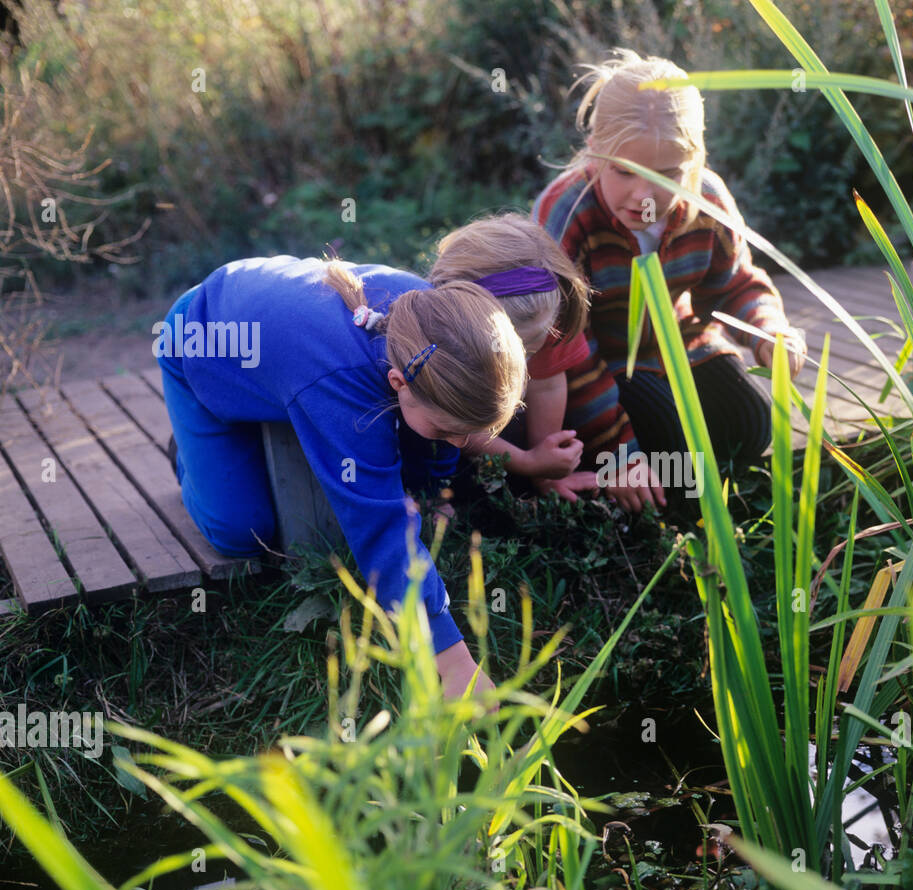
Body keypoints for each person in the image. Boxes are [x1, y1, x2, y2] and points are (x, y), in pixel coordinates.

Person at [153, 255, 525, 699]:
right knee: (240, 531)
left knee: (387, 424)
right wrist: (454, 662)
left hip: (277, 333)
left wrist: (433, 492)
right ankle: (190, 457)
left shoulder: (437, 334)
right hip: (200, 341)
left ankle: (264, 415)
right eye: (448, 430)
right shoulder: (343, 382)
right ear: (396, 382)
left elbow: (437, 435)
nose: (462, 443)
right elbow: (379, 530)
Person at [532, 48, 806, 510]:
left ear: (695, 161)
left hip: (682, 342)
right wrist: (616, 450)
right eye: (625, 172)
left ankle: (695, 483)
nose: (645, 196)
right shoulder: (567, 212)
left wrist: (768, 331)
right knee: (672, 454)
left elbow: (734, 284)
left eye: (668, 174)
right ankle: (671, 514)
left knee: (752, 422)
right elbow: (561, 343)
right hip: (604, 360)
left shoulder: (708, 201)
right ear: (596, 154)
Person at [428, 213, 659, 512]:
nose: (523, 361)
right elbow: (456, 425)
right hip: (448, 427)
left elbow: (547, 384)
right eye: (510, 349)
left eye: (530, 349)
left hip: (502, 420)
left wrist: (547, 470)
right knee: (473, 500)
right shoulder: (442, 332)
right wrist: (527, 462)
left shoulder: (544, 305)